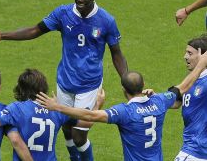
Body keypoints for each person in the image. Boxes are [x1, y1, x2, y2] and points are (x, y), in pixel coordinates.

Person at [0, 0, 128, 161]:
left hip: (89, 85)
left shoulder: (106, 20)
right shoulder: (63, 13)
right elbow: (35, 30)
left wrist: (127, 81)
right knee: (65, 127)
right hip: (65, 82)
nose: (80, 0)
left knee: (79, 134)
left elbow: (116, 53)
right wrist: (3, 36)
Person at [36, 49, 207, 161]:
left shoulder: (124, 112)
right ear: (143, 85)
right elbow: (184, 86)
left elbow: (89, 115)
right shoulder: (160, 101)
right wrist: (202, 63)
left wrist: (57, 106)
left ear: (124, 90)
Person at [0, 68, 99, 161]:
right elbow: (86, 123)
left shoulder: (17, 109)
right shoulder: (57, 110)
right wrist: (98, 104)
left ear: (22, 88)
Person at [169, 35, 207, 161]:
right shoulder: (192, 80)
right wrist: (154, 99)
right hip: (194, 149)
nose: (185, 57)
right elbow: (176, 103)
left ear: (203, 56)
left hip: (196, 151)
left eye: (190, 53)